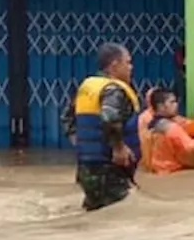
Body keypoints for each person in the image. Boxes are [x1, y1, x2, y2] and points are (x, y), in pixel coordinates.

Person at [60, 43, 142, 211]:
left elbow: (66, 118)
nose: (131, 67)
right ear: (114, 65)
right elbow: (109, 117)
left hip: (86, 167)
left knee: (95, 210)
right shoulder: (113, 90)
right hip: (109, 169)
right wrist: (118, 148)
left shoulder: (88, 88)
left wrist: (81, 142)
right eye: (128, 62)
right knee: (122, 213)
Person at [139, 88, 194, 176]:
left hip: (154, 170)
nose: (176, 105)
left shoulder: (148, 124)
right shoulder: (172, 127)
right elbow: (193, 148)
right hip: (172, 171)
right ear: (161, 106)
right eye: (172, 102)